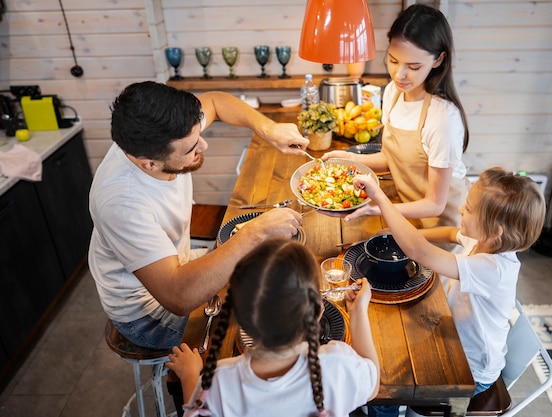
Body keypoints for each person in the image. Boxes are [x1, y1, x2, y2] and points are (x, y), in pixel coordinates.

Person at [89, 81, 310, 350]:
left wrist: (268, 129)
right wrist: (256, 232)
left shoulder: (160, 133)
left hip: (178, 262)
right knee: (271, 314)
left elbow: (216, 102)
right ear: (150, 163)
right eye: (191, 148)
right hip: (148, 313)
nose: (203, 145)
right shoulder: (122, 202)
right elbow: (178, 297)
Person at [353, 167, 545, 416]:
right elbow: (449, 233)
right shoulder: (484, 242)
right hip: (456, 338)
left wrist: (380, 197)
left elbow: (420, 252)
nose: (460, 210)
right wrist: (398, 234)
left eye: (469, 209)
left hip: (469, 369)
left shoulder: (493, 269)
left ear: (496, 230)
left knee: (386, 382)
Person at [166, 238, 380, 417]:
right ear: (317, 311)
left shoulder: (218, 383)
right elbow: (372, 385)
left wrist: (191, 377)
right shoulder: (337, 365)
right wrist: (358, 311)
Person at [322, 4, 470, 229]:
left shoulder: (443, 119)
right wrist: (351, 159)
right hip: (406, 215)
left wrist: (376, 207)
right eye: (393, 60)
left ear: (438, 60)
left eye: (413, 66)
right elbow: (396, 160)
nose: (399, 74)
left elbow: (435, 204)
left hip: (442, 228)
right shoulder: (393, 92)